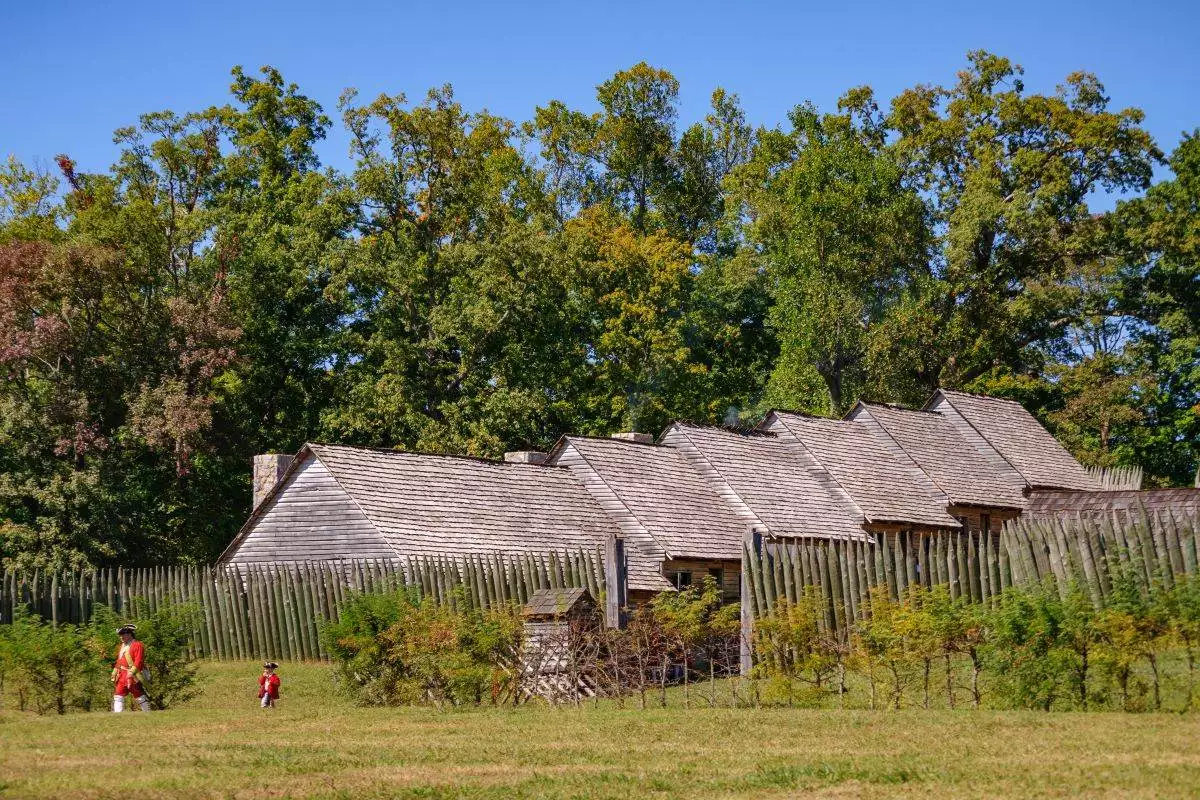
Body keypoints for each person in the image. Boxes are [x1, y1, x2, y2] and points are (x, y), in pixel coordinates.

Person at [112, 624, 151, 713]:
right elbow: (119, 660)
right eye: (120, 635)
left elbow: (139, 660)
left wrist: (132, 672)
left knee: (138, 694)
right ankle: (118, 716)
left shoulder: (137, 645)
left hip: (132, 674)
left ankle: (147, 713)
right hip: (121, 675)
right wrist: (115, 671)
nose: (121, 637)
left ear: (129, 634)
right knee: (118, 695)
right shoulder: (122, 646)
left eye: (123, 634)